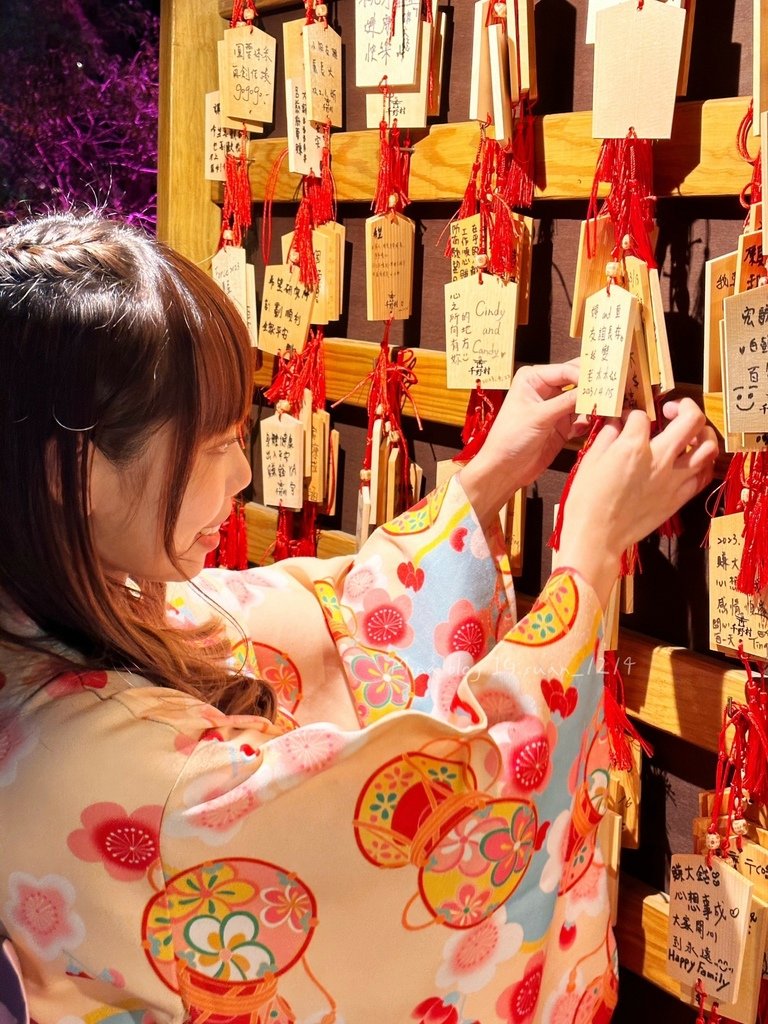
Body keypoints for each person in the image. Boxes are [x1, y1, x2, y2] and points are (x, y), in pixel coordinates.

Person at [0, 212, 717, 1024]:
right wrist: (587, 559)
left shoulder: (33, 638)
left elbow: (299, 617)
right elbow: (454, 831)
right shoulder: (148, 786)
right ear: (74, 469)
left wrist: (479, 486)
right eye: (211, 445)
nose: (241, 473)